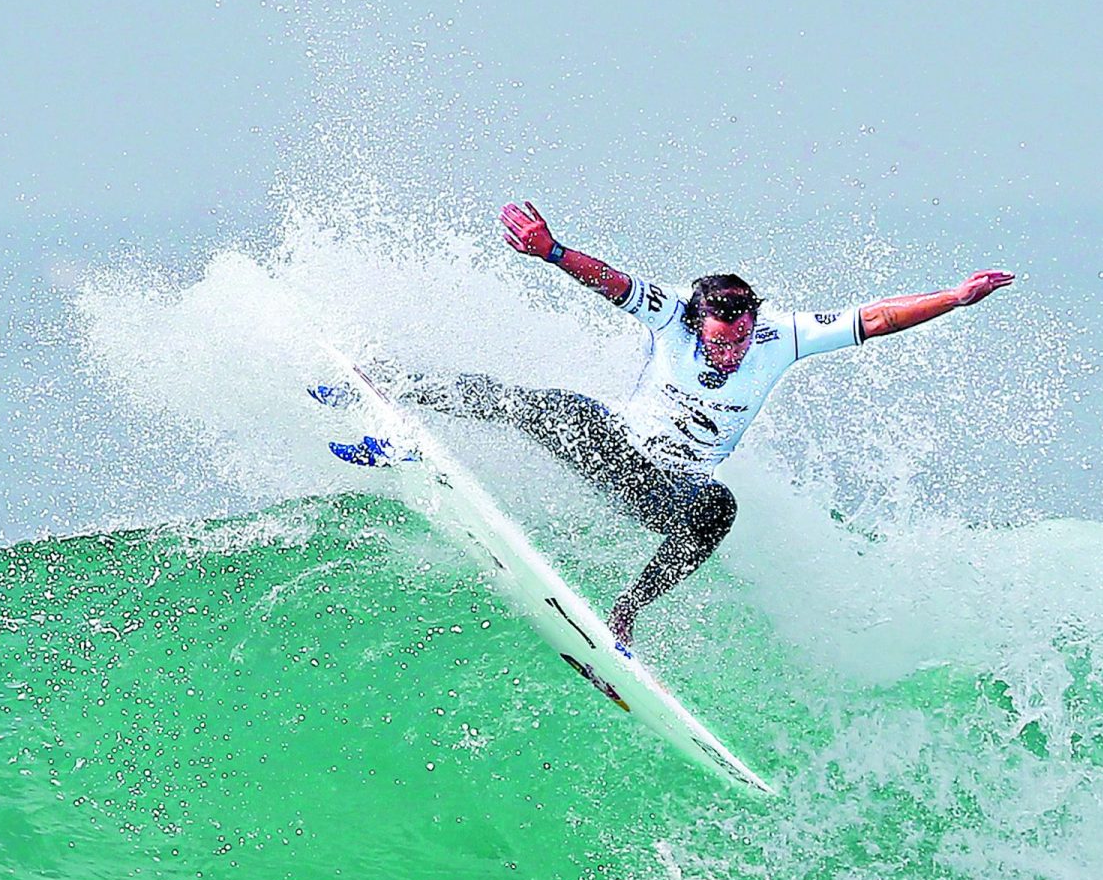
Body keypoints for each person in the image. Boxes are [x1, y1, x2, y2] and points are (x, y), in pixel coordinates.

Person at [333, 200, 1014, 648]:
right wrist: (551, 251)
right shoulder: (672, 314)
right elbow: (613, 281)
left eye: (740, 340)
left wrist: (954, 298)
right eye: (721, 340)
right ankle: (392, 394)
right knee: (556, 406)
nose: (731, 350)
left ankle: (626, 612)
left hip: (667, 488)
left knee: (719, 506)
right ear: (699, 318)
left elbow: (874, 318)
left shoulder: (784, 335)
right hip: (616, 449)